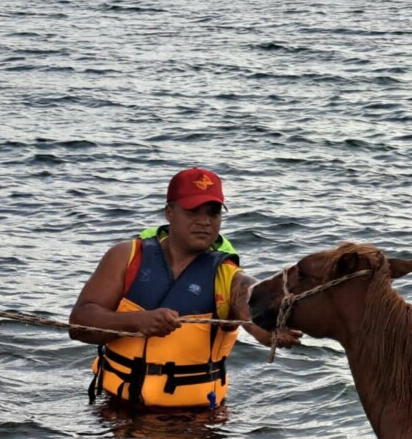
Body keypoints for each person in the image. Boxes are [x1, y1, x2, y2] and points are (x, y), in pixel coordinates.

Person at [69, 167, 301, 409]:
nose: (204, 222)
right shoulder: (127, 256)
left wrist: (273, 331)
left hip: (195, 419)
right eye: (193, 211)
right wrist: (136, 322)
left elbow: (255, 316)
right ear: (169, 212)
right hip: (115, 409)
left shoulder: (230, 278)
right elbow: (78, 325)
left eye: (213, 213)